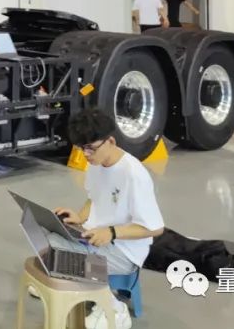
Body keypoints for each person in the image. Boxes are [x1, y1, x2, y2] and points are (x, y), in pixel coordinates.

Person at [54, 108, 165, 329]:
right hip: (95, 237)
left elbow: (155, 228)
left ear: (111, 141)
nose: (86, 155)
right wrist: (79, 217)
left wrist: (112, 233)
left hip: (125, 251)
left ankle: (114, 309)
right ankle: (64, 278)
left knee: (64, 256)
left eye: (90, 148)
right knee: (50, 235)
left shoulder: (133, 174)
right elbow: (93, 197)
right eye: (81, 148)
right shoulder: (95, 163)